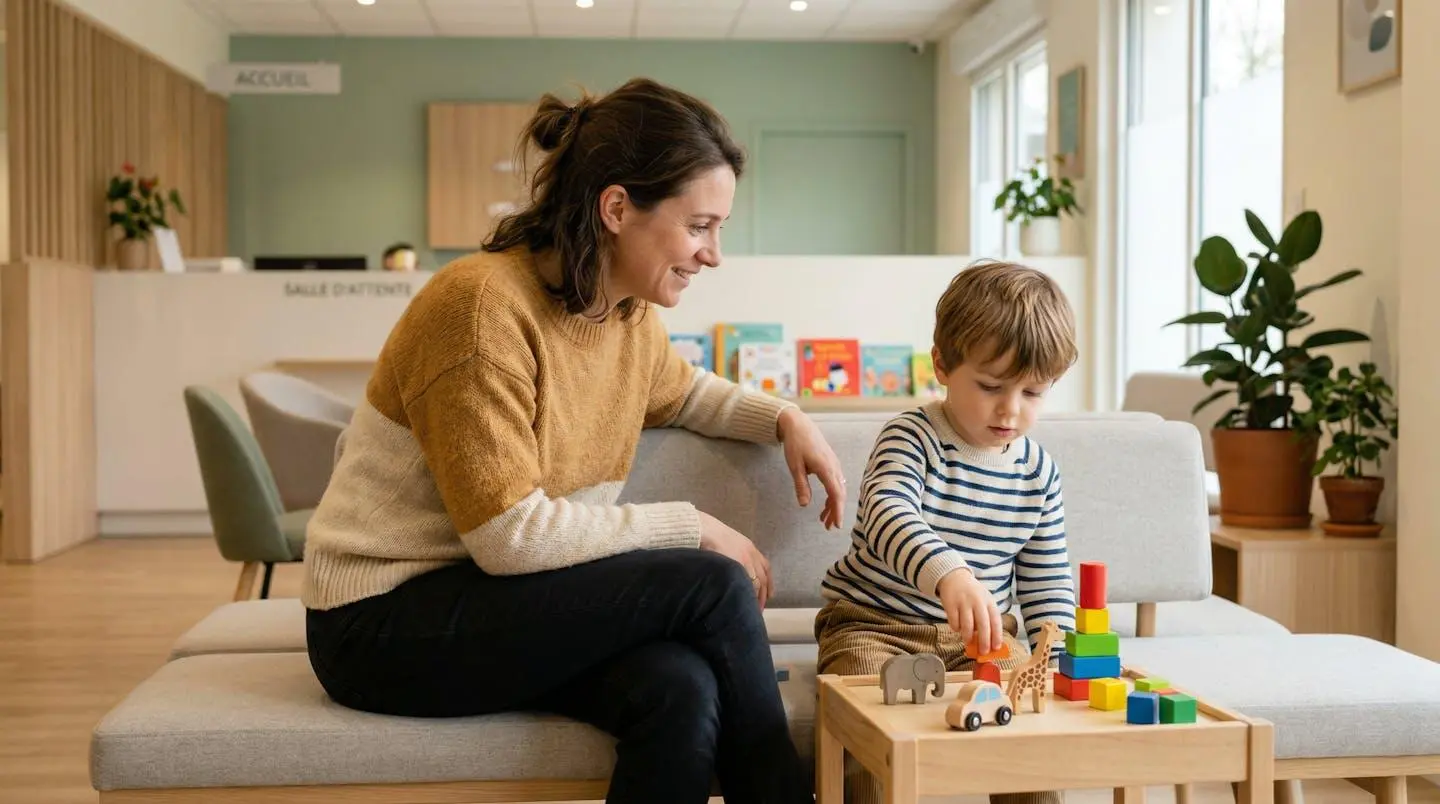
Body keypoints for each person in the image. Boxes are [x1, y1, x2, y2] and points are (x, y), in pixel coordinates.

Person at [301, 77, 846, 804]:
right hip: (379, 622)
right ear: (616, 209)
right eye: (700, 226)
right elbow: (508, 535)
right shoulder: (479, 309)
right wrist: (691, 526)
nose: (713, 254)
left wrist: (786, 418)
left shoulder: (623, 316)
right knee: (709, 581)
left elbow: (685, 393)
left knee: (680, 688)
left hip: (497, 601)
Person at [814, 260, 1079, 804]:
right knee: (868, 725)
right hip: (874, 627)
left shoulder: (1038, 472)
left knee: (1029, 731)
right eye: (990, 386)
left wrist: (1058, 657)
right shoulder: (912, 437)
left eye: (1033, 393)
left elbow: (1047, 580)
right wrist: (949, 573)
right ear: (942, 365)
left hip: (981, 642)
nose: (1010, 409)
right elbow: (887, 511)